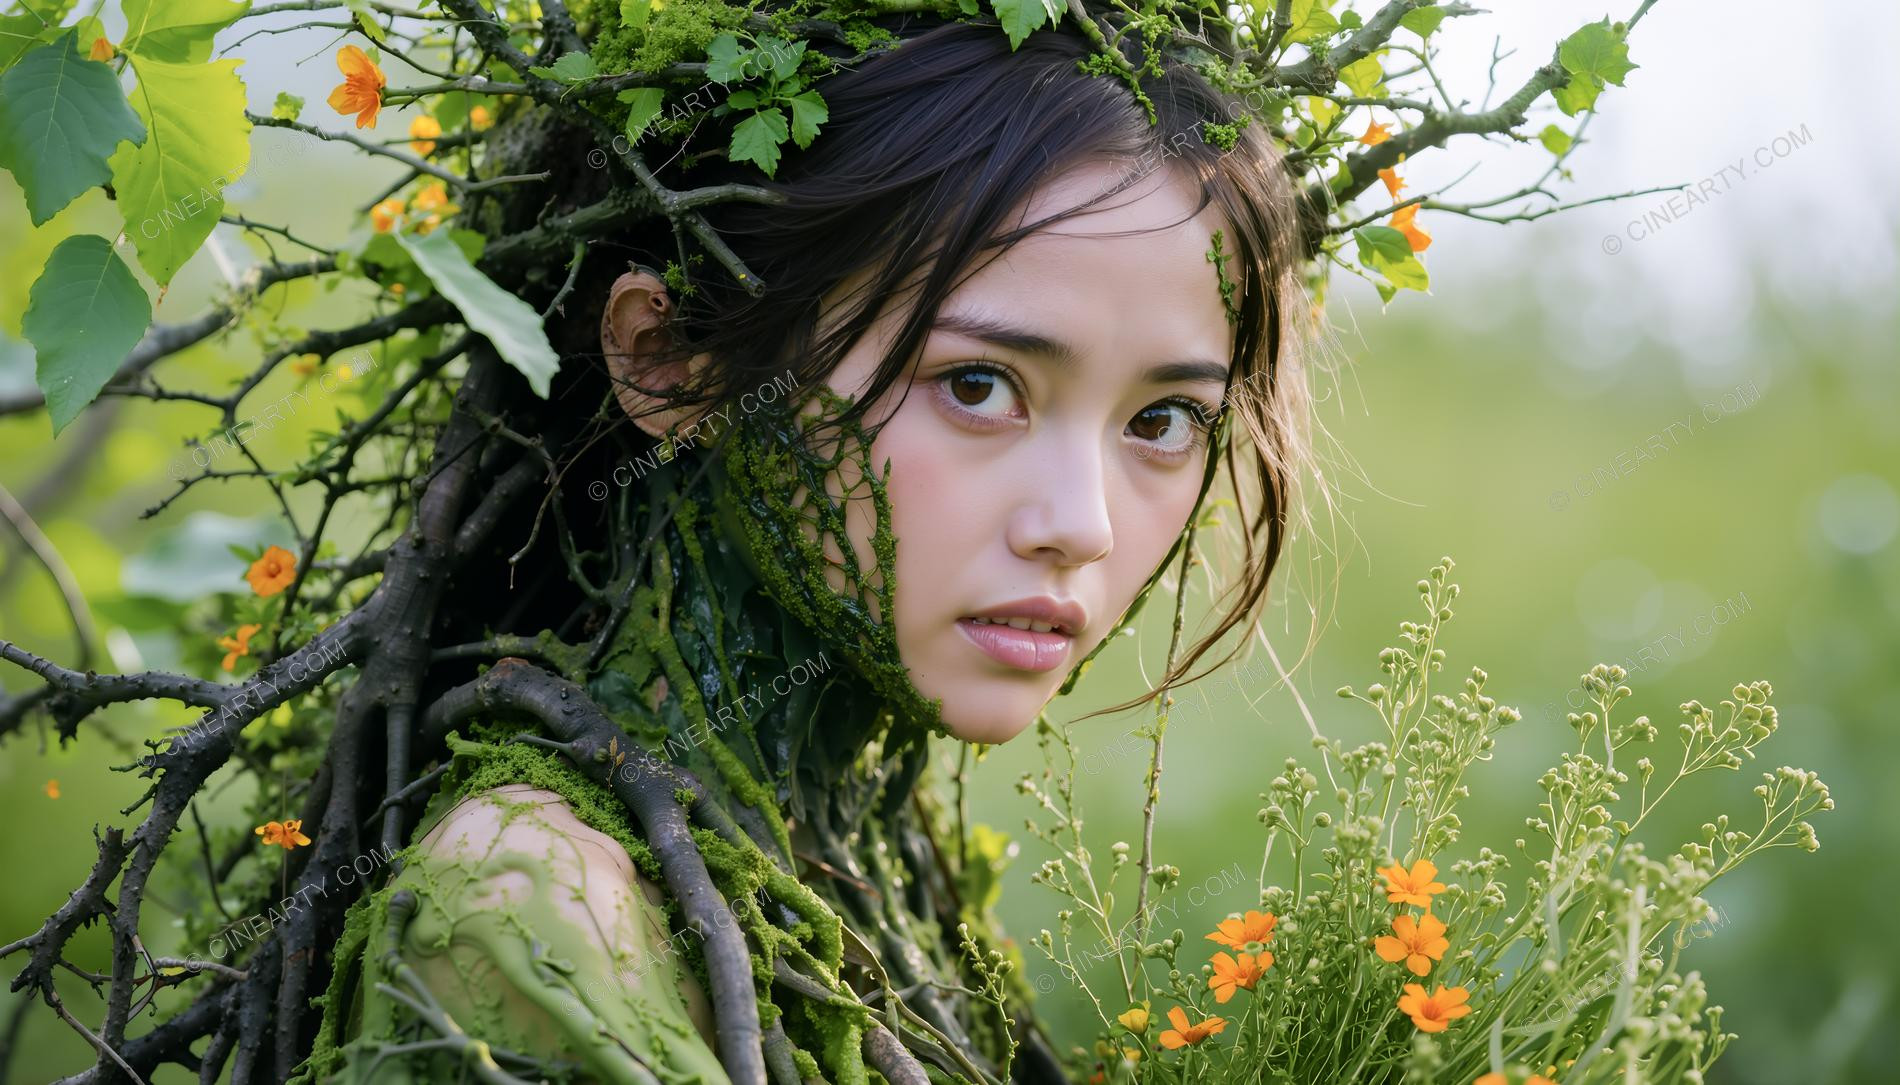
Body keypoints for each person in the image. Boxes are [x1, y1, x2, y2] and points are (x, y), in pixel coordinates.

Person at [306, 15, 1316, 1085]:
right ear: (669, 356)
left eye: (1162, 421)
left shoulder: (876, 869)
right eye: (978, 386)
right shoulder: (534, 913)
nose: (1083, 525)